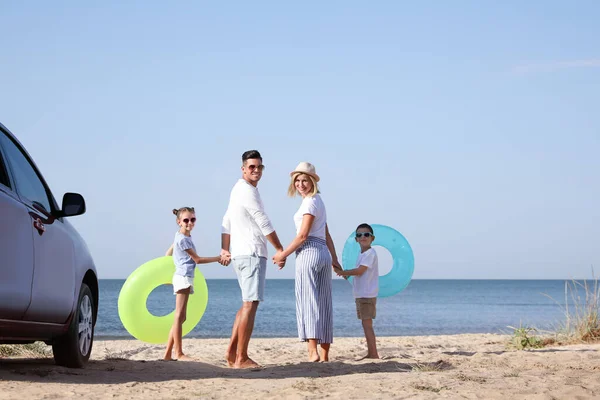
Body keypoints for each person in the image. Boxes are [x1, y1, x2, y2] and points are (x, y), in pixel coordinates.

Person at [221, 150, 285, 369]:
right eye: (252, 167)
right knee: (250, 304)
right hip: (251, 253)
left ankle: (231, 354)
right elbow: (263, 221)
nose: (256, 171)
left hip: (241, 253)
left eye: (259, 167)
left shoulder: (237, 190)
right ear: (243, 169)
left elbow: (226, 222)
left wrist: (225, 249)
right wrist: (279, 248)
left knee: (246, 304)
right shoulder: (246, 191)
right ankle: (241, 358)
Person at [273, 162, 341, 362]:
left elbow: (303, 236)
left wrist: (283, 254)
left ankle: (313, 351)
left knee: (308, 301)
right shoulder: (319, 201)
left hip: (309, 252)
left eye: (304, 180)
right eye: (297, 181)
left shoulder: (310, 203)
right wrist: (334, 259)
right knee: (324, 302)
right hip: (323, 253)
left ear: (312, 181)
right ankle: (326, 353)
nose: (301, 184)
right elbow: (326, 234)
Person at [164, 207, 225, 361]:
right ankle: (178, 353)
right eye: (186, 220)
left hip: (184, 276)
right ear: (179, 222)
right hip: (183, 276)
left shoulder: (180, 236)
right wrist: (218, 258)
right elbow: (197, 260)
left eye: (193, 219)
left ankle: (167, 354)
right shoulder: (183, 239)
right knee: (179, 316)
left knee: (181, 317)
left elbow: (168, 254)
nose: (189, 222)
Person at [334, 223, 380, 359]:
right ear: (356, 239)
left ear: (372, 238)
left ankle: (373, 354)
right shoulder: (362, 254)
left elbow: (360, 271)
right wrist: (346, 274)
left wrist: (343, 272)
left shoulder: (370, 253)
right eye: (359, 235)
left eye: (366, 234)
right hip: (361, 294)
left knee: (367, 324)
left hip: (367, 294)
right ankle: (372, 353)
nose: (363, 237)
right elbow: (359, 272)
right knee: (365, 324)